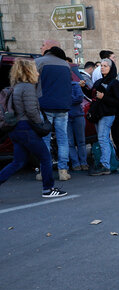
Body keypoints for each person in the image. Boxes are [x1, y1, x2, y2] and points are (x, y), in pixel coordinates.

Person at [0, 58, 67, 198]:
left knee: (17, 162)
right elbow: (31, 111)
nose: (37, 73)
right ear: (28, 71)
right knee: (45, 158)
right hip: (26, 128)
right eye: (35, 70)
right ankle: (48, 189)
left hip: (15, 129)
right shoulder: (28, 87)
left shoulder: (16, 87)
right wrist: (40, 125)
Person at [35, 40, 72, 181]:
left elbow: (34, 83)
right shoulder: (65, 64)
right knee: (63, 139)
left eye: (42, 45)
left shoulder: (39, 62)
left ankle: (45, 171)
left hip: (45, 106)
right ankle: (63, 170)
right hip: (63, 106)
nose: (40, 46)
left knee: (45, 139)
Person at [88, 58, 119, 176]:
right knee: (104, 139)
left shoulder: (115, 83)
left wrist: (104, 97)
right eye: (101, 66)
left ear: (111, 68)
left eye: (105, 66)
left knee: (102, 138)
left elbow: (118, 102)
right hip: (98, 114)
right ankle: (113, 162)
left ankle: (105, 165)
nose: (102, 68)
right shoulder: (98, 82)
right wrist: (83, 87)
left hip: (107, 114)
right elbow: (92, 95)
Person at [67, 68, 87, 171]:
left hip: (77, 116)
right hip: (67, 117)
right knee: (70, 142)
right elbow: (77, 98)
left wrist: (67, 99)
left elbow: (79, 98)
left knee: (81, 141)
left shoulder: (75, 85)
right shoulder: (75, 86)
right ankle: (76, 163)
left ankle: (83, 162)